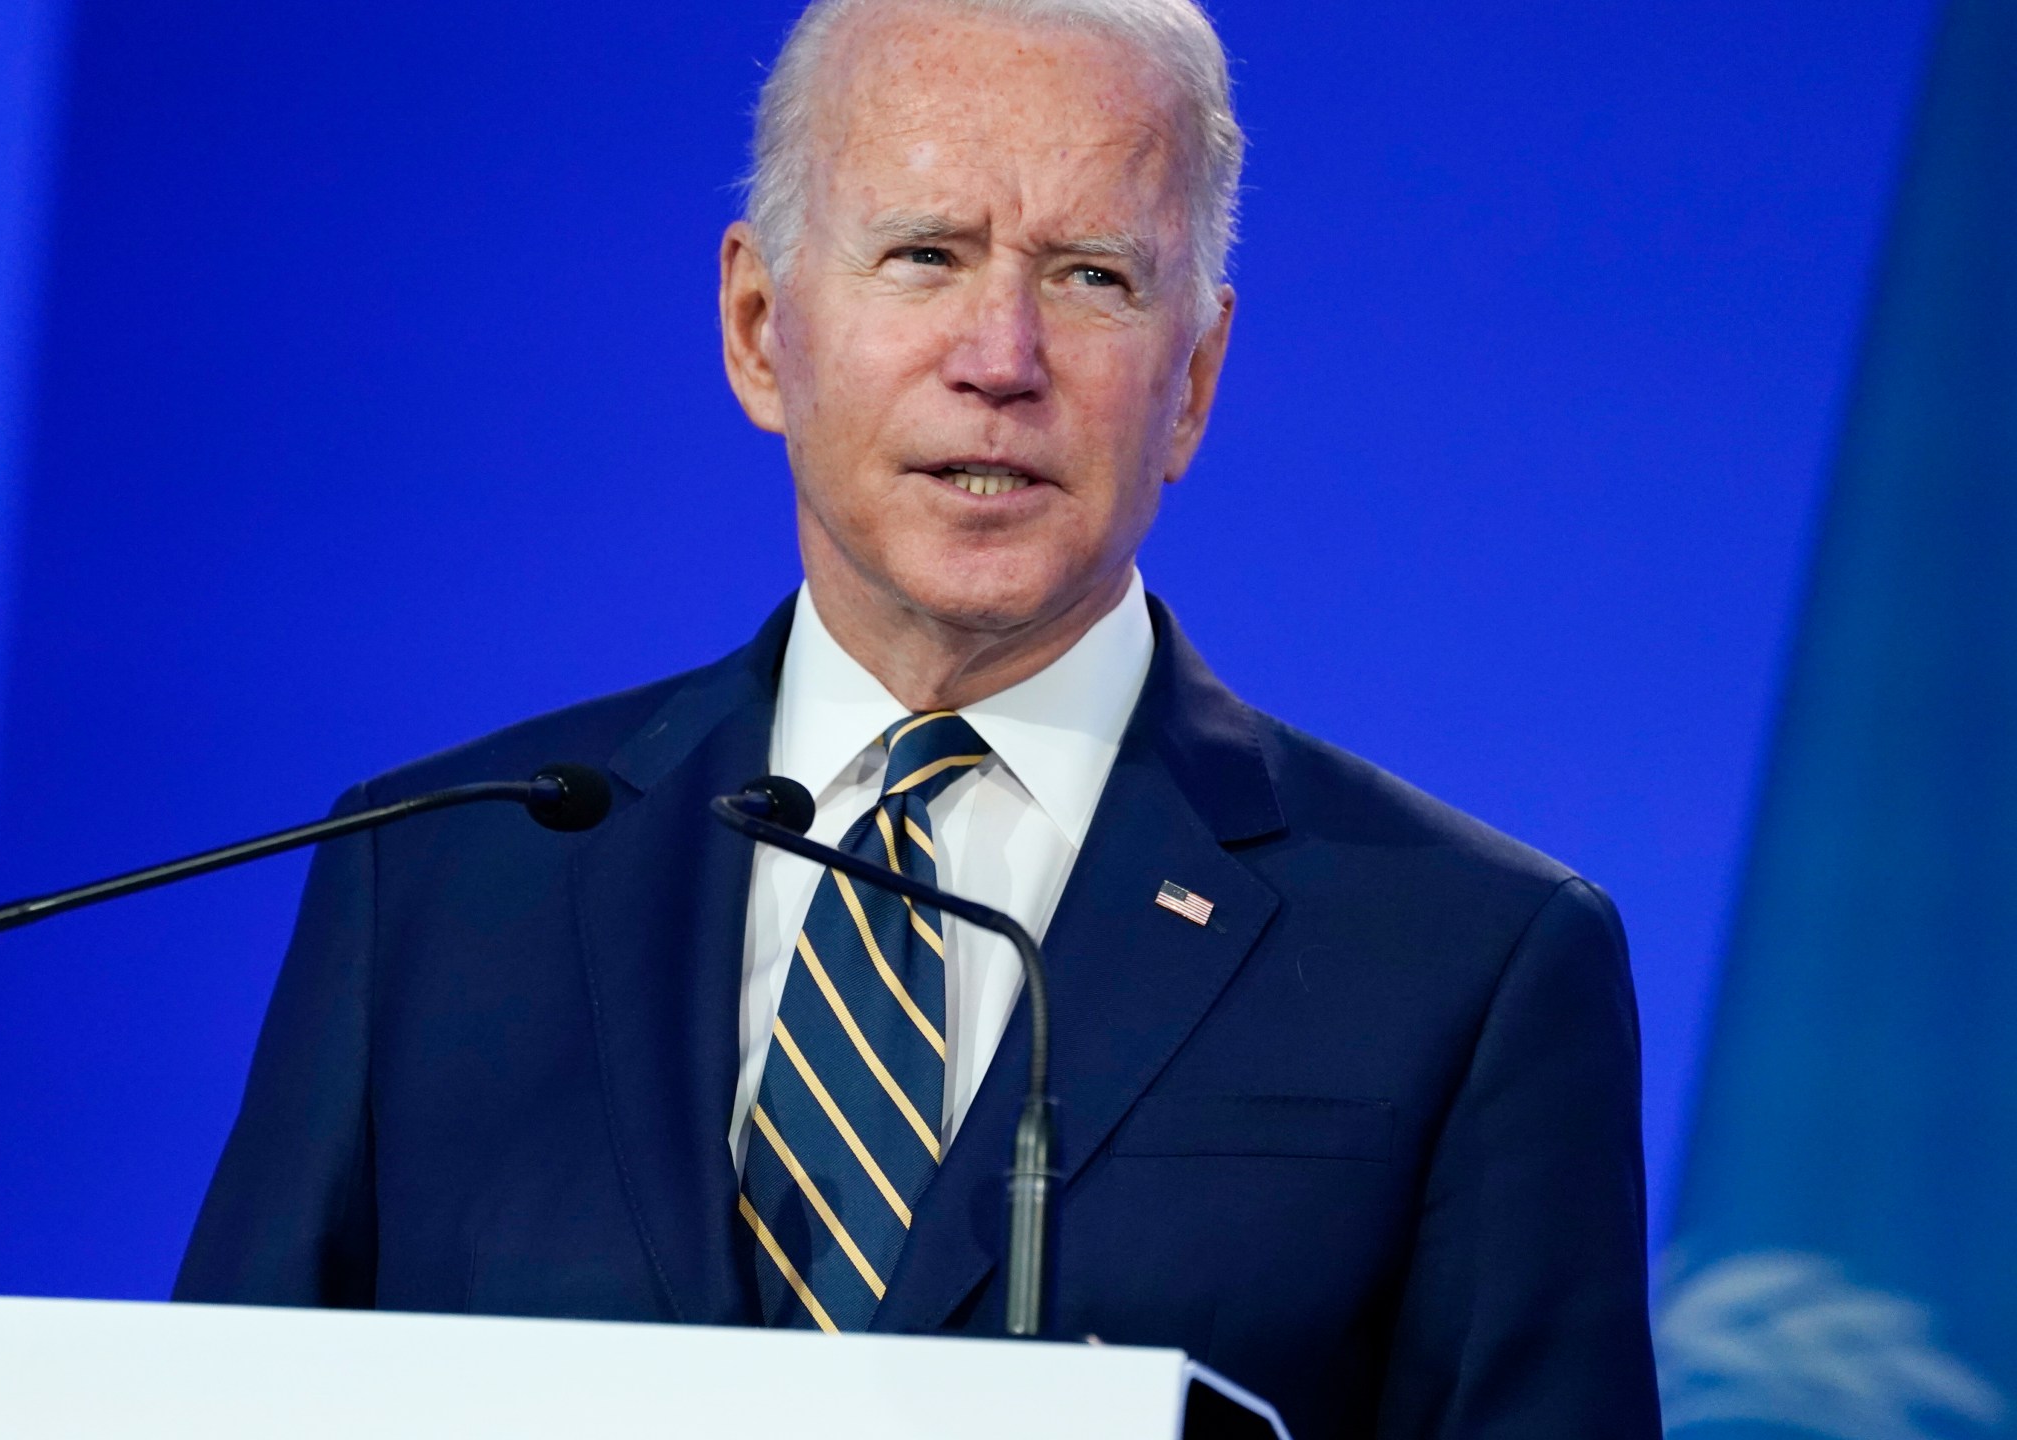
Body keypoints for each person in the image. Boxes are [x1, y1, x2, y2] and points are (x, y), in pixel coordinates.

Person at [177, 0, 1663, 1433]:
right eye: (926, 253)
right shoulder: (444, 874)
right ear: (761, 327)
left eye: (1093, 276)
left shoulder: (1465, 959)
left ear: (1195, 378)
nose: (1001, 357)